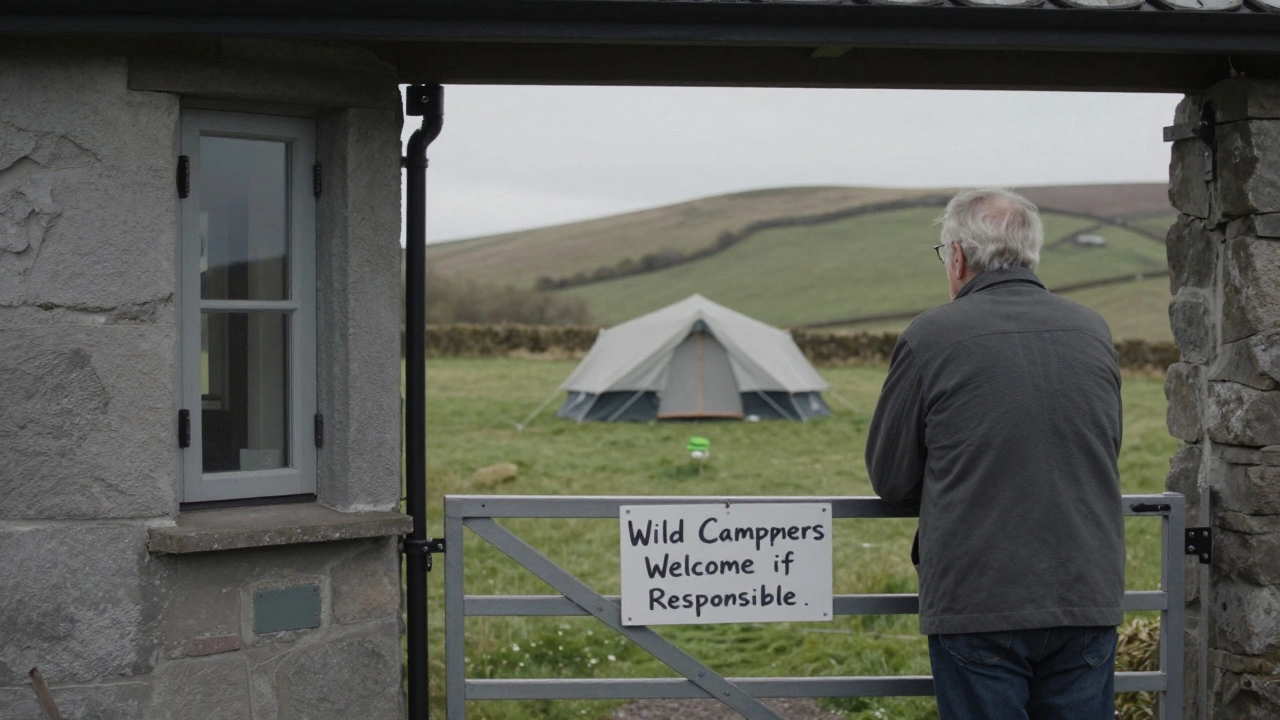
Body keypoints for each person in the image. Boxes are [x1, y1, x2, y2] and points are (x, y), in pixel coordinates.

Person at [864, 188, 1125, 720]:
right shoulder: (1092, 330)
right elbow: (1103, 445)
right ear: (1031, 253)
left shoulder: (930, 336)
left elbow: (891, 477)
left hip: (978, 596)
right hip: (1086, 588)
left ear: (957, 257)